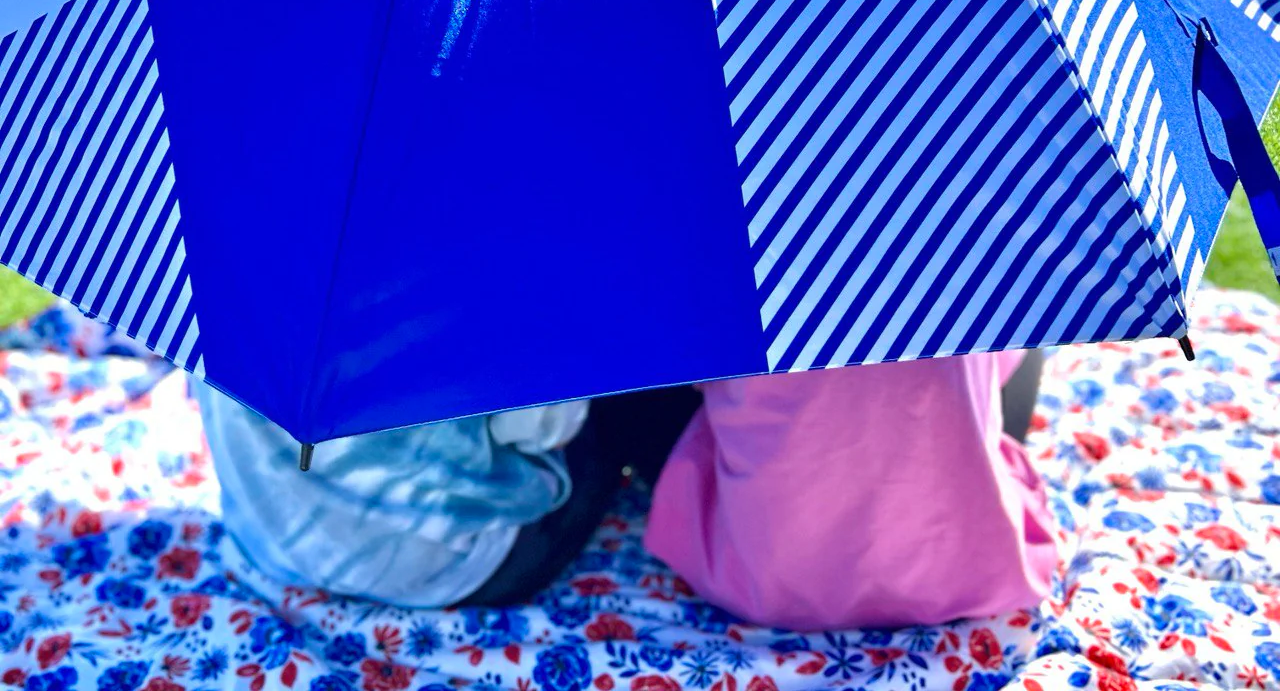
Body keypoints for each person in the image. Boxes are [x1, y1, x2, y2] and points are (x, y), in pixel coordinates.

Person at [643, 350, 1055, 631]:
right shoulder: (970, 241)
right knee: (1018, 355)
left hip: (766, 577)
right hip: (969, 568)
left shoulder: (725, 247)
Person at [194, 385, 620, 607]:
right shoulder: (479, 260)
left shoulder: (218, 249)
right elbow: (543, 428)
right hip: (455, 567)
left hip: (270, 542)